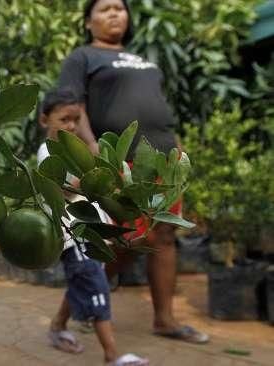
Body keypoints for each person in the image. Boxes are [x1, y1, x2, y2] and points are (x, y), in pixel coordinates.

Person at [55, 0, 208, 344]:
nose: (114, 13)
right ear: (88, 21)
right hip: (120, 159)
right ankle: (75, 310)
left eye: (120, 8)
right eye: (105, 8)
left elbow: (160, 108)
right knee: (121, 239)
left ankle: (165, 320)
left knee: (164, 236)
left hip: (163, 160)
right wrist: (94, 150)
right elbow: (72, 107)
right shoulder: (83, 57)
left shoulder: (146, 61)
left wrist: (178, 149)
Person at [39, 88, 149, 366]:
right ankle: (112, 355)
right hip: (73, 231)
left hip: (92, 228)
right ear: (45, 120)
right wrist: (96, 175)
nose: (72, 125)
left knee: (83, 279)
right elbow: (61, 190)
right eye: (64, 119)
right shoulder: (48, 153)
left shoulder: (77, 150)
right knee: (95, 283)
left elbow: (94, 164)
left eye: (76, 119)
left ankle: (56, 327)